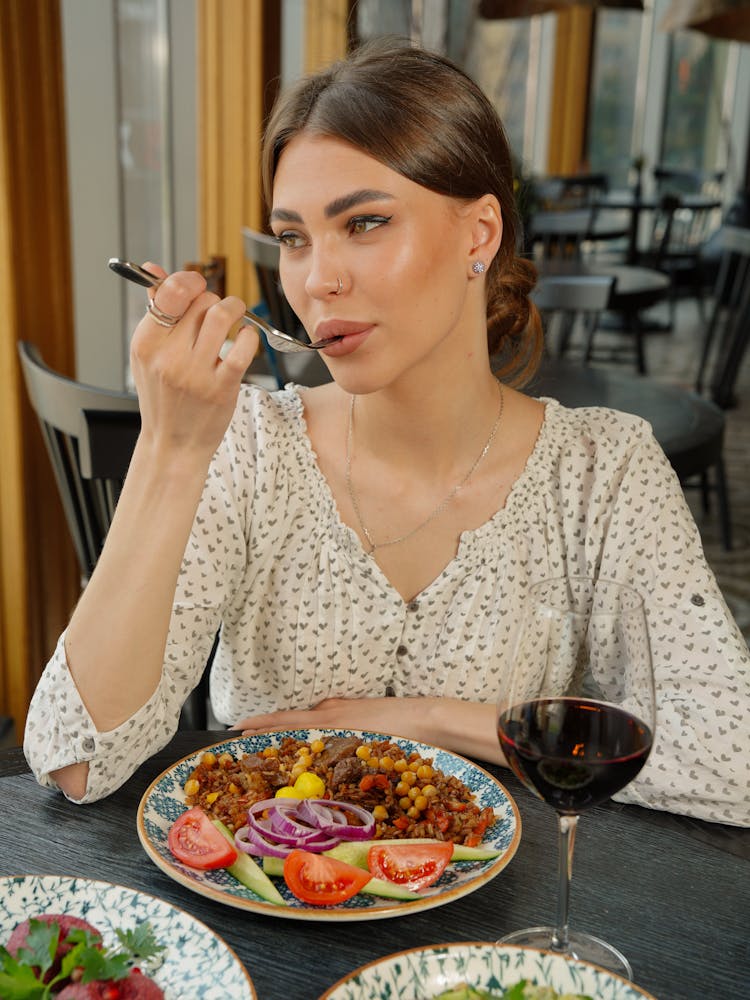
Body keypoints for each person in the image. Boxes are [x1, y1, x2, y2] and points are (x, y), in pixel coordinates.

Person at [24, 39, 749, 826]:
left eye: (364, 223)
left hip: (501, 930)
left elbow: (731, 759)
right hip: (266, 926)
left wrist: (423, 720)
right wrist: (170, 451)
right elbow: (75, 758)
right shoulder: (254, 447)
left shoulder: (603, 472)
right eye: (293, 238)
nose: (315, 280)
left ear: (478, 235)